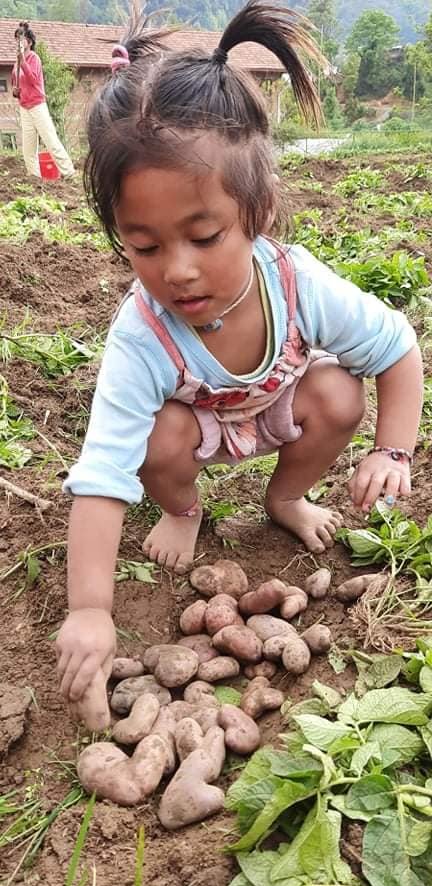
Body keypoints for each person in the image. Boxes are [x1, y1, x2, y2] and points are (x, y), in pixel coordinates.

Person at [56, 2, 423, 706]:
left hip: (280, 407)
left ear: (254, 214)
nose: (179, 271)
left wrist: (393, 452)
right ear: (120, 238)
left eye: (203, 236)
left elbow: (397, 348)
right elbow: (101, 476)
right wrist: (90, 609)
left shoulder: (295, 282)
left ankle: (284, 496)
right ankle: (185, 511)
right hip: (198, 430)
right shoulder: (143, 334)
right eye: (145, 246)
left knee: (341, 391)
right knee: (155, 437)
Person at [11, 21, 76, 179]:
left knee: (50, 140)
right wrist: (15, 90)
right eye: (17, 39)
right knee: (28, 147)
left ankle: (68, 172)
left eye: (22, 39)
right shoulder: (17, 62)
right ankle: (34, 177)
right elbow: (16, 82)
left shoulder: (34, 59)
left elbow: (33, 80)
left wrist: (23, 62)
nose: (19, 42)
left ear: (29, 42)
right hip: (24, 107)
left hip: (37, 105)